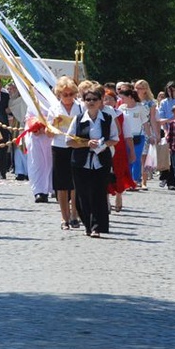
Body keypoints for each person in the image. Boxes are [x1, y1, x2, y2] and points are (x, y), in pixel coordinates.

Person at [66, 84, 118, 238]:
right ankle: (87, 225)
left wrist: (102, 144)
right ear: (83, 101)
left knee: (98, 194)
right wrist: (86, 144)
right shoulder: (78, 119)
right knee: (82, 195)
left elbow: (115, 139)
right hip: (81, 162)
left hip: (101, 161)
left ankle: (97, 227)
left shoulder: (108, 119)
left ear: (101, 101)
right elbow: (69, 141)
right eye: (88, 99)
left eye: (94, 99)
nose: (91, 102)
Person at [47, 76, 80, 229]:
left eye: (70, 94)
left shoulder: (80, 107)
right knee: (61, 185)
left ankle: (74, 214)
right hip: (59, 146)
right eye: (64, 95)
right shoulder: (54, 109)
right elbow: (48, 133)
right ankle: (64, 217)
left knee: (75, 183)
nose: (68, 97)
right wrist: (54, 124)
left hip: (75, 146)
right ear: (59, 94)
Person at [104, 89, 136, 206]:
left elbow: (128, 135)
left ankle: (119, 195)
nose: (107, 102)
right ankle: (106, 200)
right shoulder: (99, 114)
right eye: (105, 99)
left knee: (119, 172)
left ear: (115, 101)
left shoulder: (122, 115)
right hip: (105, 147)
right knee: (105, 173)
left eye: (110, 99)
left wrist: (132, 151)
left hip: (119, 148)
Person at [119, 88, 150, 186]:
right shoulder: (121, 108)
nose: (122, 100)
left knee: (136, 158)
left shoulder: (140, 108)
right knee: (127, 159)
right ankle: (128, 180)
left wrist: (149, 136)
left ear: (130, 97)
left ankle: (135, 179)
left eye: (123, 98)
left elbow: (145, 123)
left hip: (138, 137)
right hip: (126, 137)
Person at [134, 80, 160, 189]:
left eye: (140, 88)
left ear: (145, 89)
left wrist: (156, 134)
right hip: (134, 129)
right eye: (136, 88)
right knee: (135, 156)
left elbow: (153, 119)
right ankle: (135, 179)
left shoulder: (150, 102)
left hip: (146, 130)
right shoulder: (133, 101)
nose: (138, 90)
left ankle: (144, 180)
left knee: (144, 157)